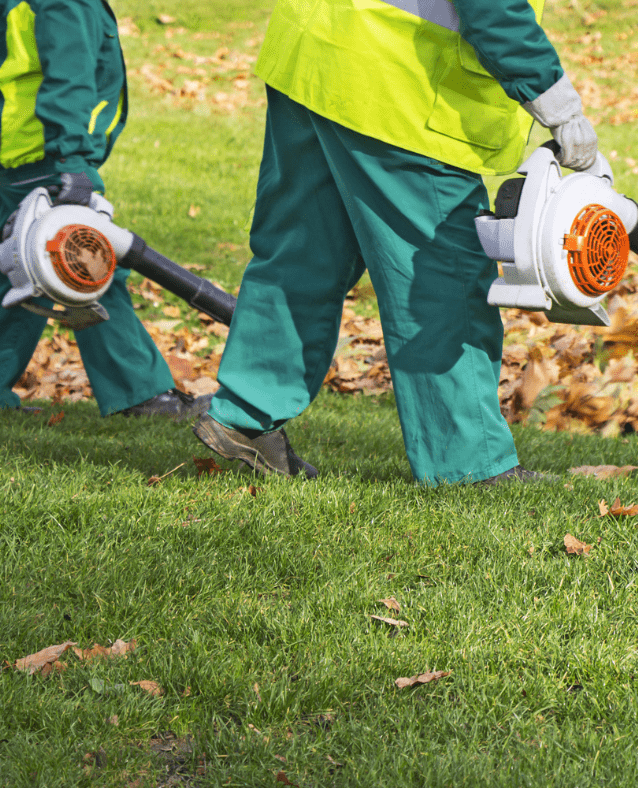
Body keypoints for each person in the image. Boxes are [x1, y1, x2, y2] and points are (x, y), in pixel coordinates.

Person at [193, 0, 599, 484]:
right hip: (399, 84)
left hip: (312, 51)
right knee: (440, 275)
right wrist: (558, 105)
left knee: (303, 252)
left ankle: (245, 412)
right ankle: (467, 461)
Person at [0, 0, 208, 420]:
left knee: (19, 269)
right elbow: (68, 77)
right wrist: (71, 160)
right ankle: (140, 394)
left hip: (14, 146)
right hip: (46, 154)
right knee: (87, 261)